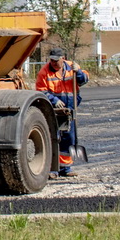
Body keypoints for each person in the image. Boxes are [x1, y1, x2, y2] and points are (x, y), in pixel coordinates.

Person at [35, 47, 86, 177]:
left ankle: (65, 168)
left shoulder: (72, 67)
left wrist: (78, 72)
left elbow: (84, 80)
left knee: (69, 138)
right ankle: (53, 169)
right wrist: (54, 100)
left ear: (63, 58)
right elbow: (41, 90)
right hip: (53, 109)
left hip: (70, 107)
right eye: (51, 60)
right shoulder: (44, 72)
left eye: (56, 61)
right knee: (54, 137)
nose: (53, 63)